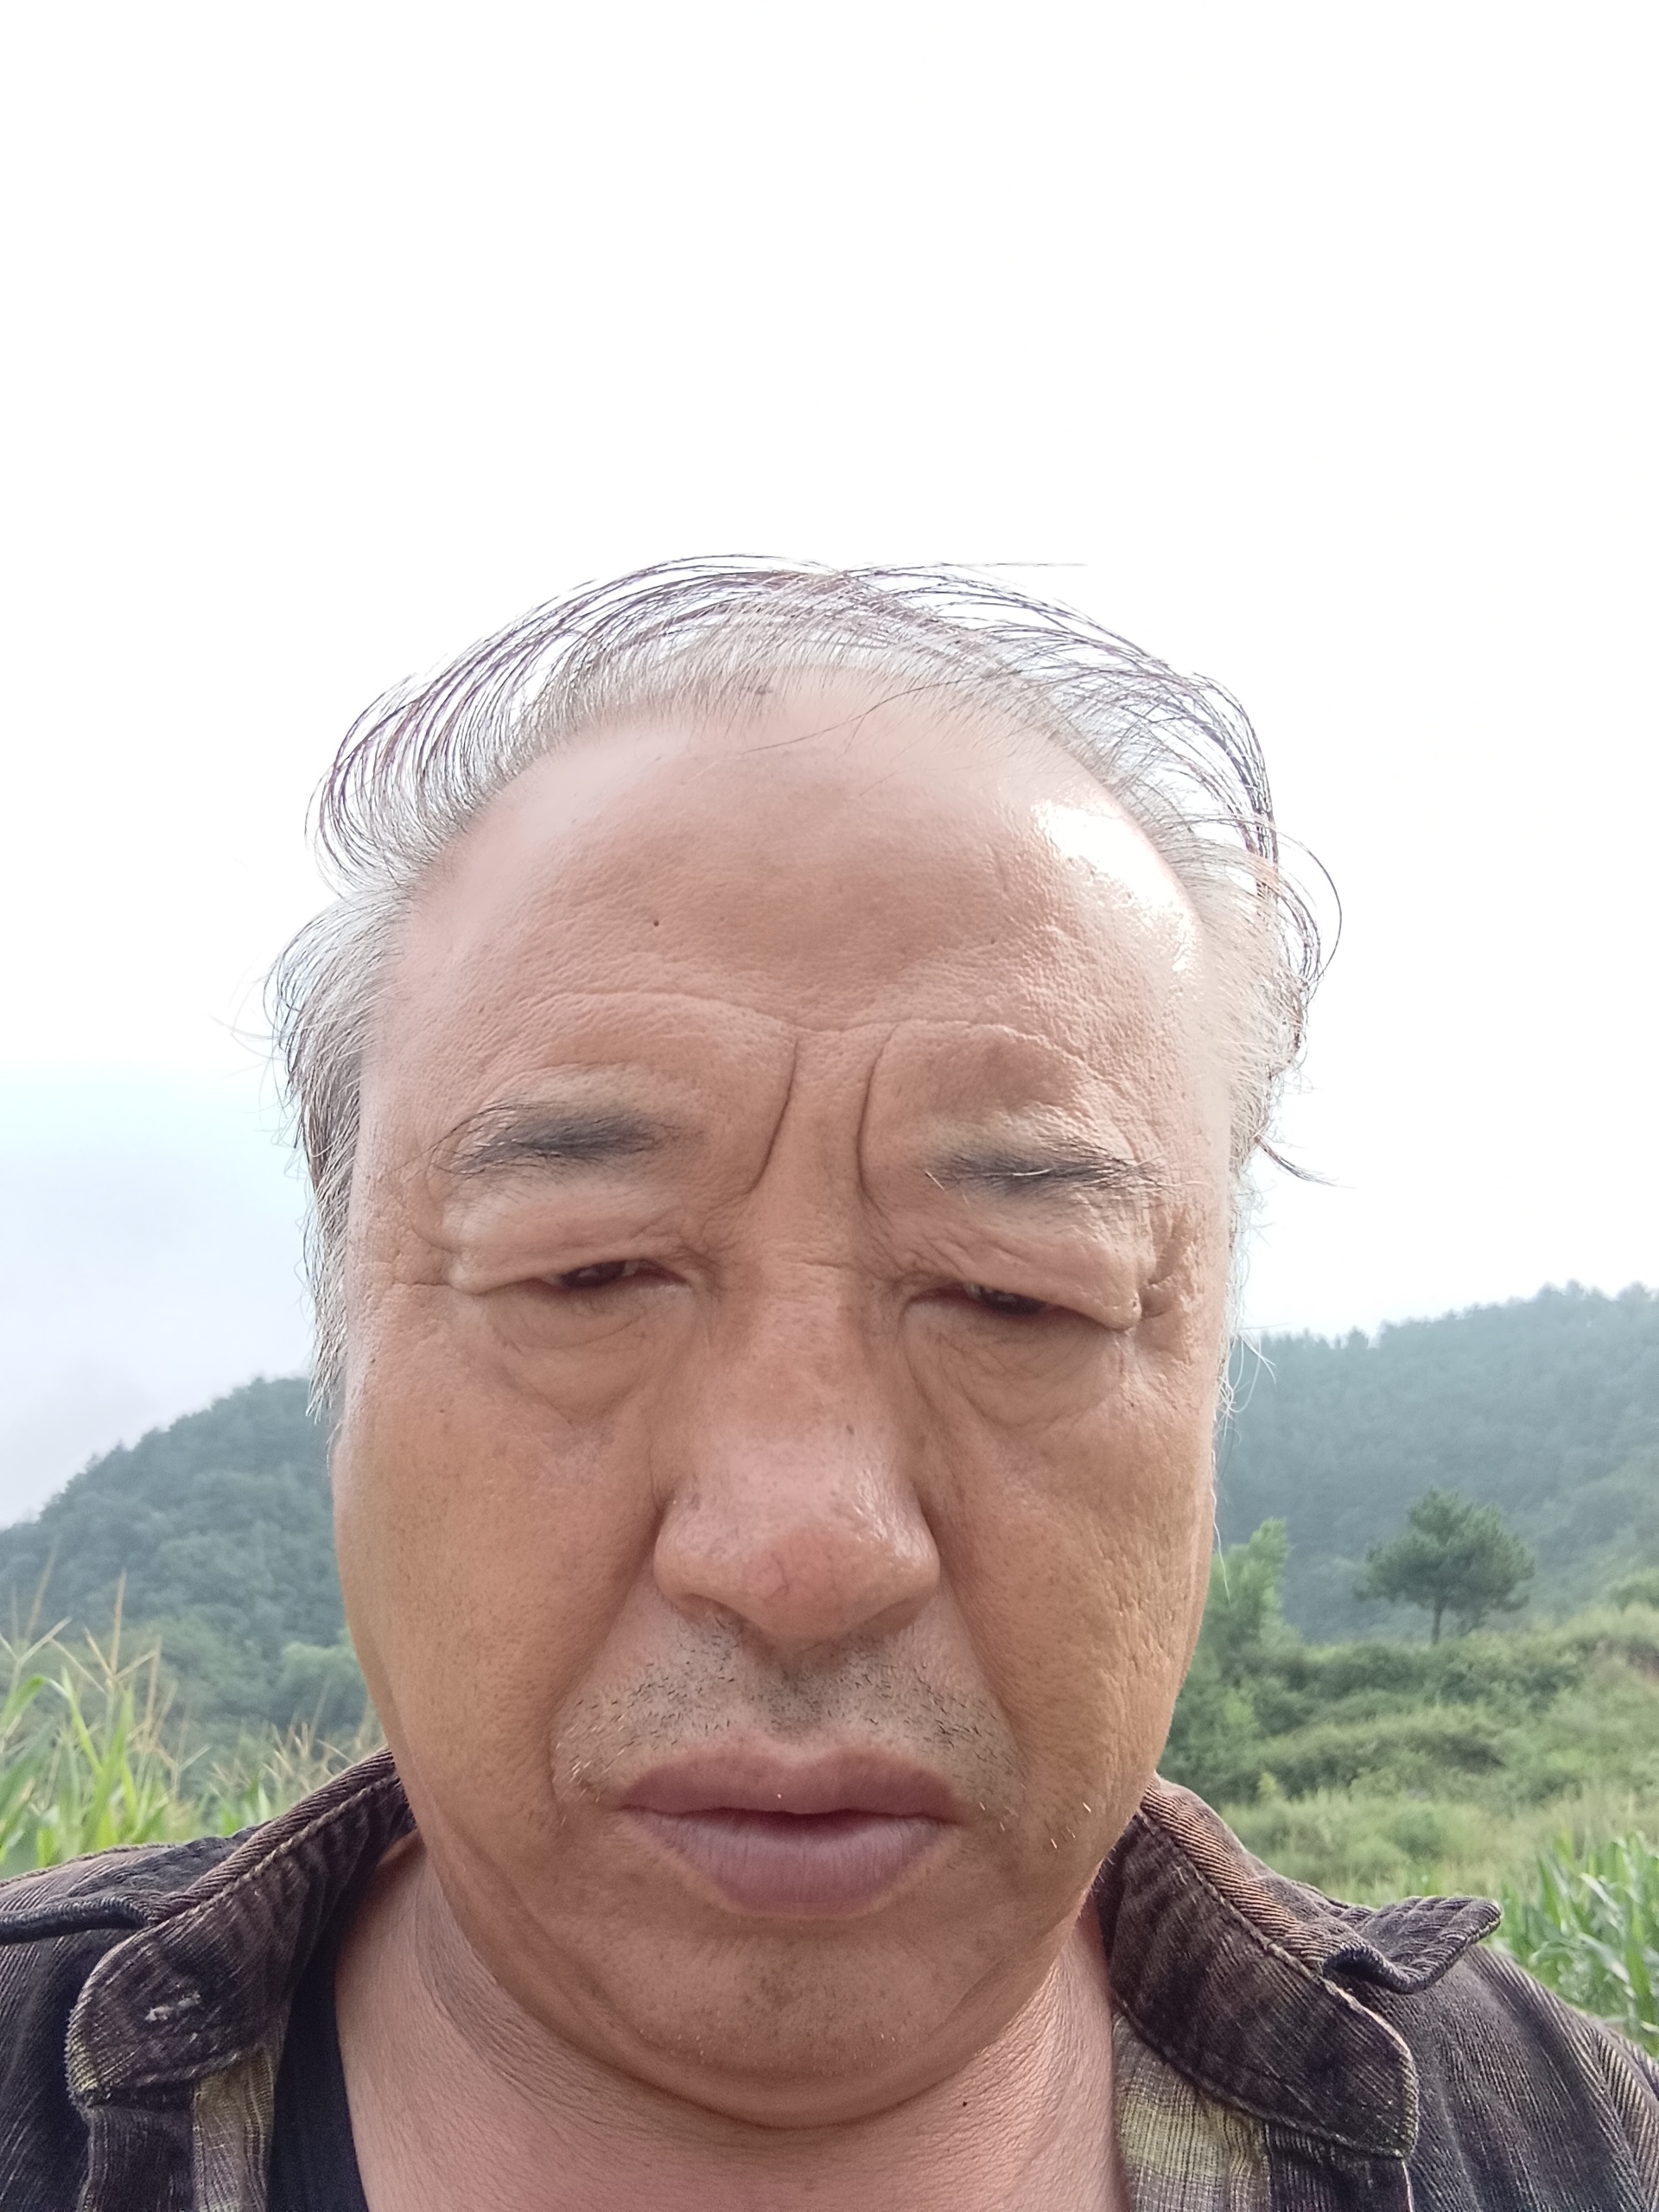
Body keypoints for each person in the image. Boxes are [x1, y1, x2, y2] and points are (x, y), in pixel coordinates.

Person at [2, 563, 1653, 2212]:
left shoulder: (1566, 2153)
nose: (802, 1551)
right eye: (588, 1276)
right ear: (345, 1354)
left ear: (1208, 1386)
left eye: (1014, 1296)